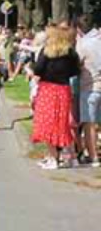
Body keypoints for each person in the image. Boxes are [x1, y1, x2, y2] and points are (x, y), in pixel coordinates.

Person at [32, 24, 81, 170]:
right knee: (63, 123)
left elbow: (38, 69)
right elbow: (75, 70)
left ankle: (54, 158)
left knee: (47, 124)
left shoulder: (46, 51)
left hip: (48, 89)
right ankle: (71, 157)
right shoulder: (70, 52)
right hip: (64, 89)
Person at [76, 18, 101, 167]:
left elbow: (76, 63)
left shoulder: (83, 44)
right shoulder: (99, 40)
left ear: (79, 29)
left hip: (89, 88)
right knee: (97, 124)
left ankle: (93, 157)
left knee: (89, 124)